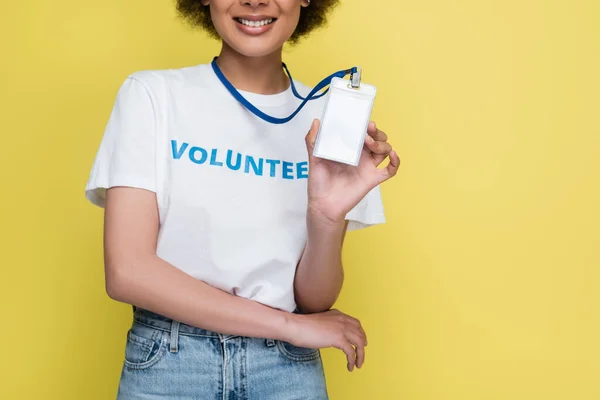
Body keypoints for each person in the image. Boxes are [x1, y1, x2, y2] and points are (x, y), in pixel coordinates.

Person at [85, 0, 400, 398]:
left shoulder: (328, 120)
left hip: (287, 371)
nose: (255, 1)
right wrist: (290, 326)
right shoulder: (151, 95)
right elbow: (128, 272)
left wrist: (325, 218)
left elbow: (315, 299)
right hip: (171, 365)